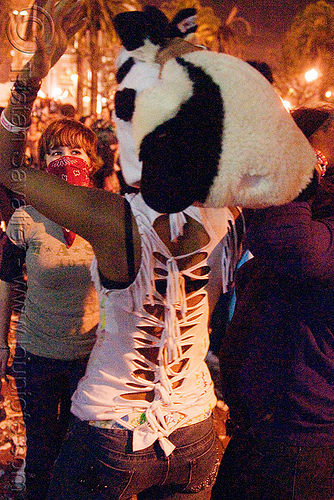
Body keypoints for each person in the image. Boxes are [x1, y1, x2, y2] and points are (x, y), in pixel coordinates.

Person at [0, 3, 240, 499]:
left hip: (113, 432)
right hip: (195, 429)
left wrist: (31, 75)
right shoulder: (229, 209)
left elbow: (8, 170)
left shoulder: (112, 219)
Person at [210, 107, 334, 500]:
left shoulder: (306, 226)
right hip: (266, 425)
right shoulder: (310, 211)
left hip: (299, 439)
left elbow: (288, 240)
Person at [0, 117, 101, 500]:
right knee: (42, 450)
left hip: (91, 358)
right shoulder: (27, 219)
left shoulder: (108, 218)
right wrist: (1, 346)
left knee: (80, 450)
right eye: (56, 152)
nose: (66, 159)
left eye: (76, 151)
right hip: (35, 355)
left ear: (91, 161)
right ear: (44, 164)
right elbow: (6, 280)